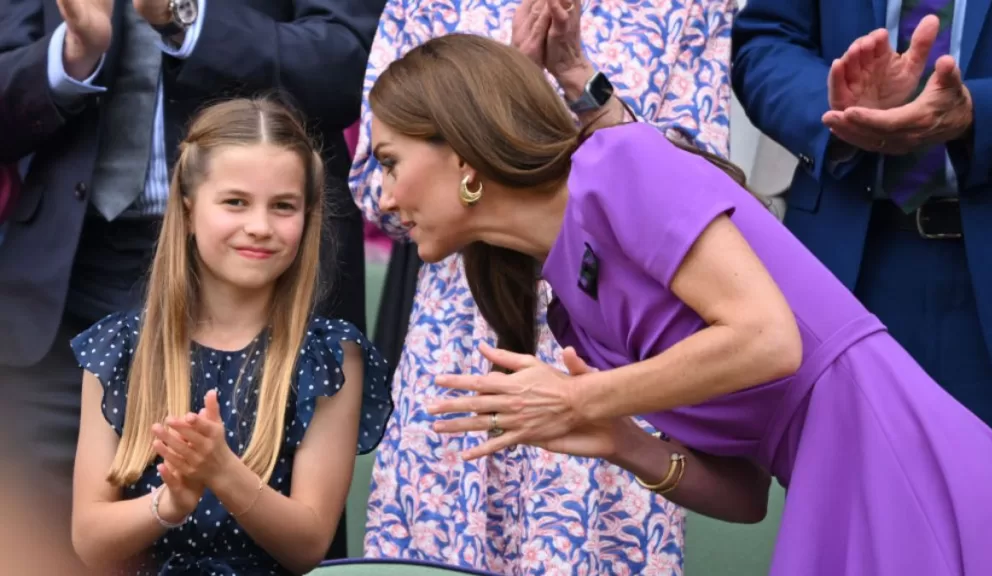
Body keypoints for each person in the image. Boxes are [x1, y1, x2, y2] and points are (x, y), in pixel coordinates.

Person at [368, 34, 992, 575]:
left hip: (905, 469)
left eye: (391, 161)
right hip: (831, 496)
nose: (386, 196)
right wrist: (621, 441)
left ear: (461, 158)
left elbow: (770, 339)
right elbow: (745, 496)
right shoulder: (573, 303)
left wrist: (582, 399)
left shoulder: (619, 164)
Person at [350, 0, 734, 571]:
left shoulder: (691, 6)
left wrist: (557, 94)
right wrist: (494, 99)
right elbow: (377, 192)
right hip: (460, 332)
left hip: (608, 340)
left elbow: (692, 180)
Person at [0, 0, 384, 509]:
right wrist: (71, 58)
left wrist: (186, 18)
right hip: (61, 300)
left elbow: (352, 64)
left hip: (262, 288)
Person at [68, 98, 392, 574]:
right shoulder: (120, 348)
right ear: (188, 205)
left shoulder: (329, 355)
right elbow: (90, 539)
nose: (259, 227)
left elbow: (309, 544)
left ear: (309, 216)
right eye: (235, 202)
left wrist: (223, 472)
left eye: (283, 206)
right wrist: (170, 504)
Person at [730, 0, 992, 459]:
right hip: (847, 275)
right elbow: (767, 40)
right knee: (853, 521)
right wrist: (838, 114)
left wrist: (980, 115)